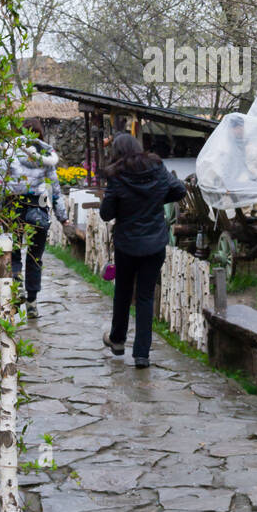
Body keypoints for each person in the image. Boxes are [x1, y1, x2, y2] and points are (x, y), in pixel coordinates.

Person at [99, 131, 187, 368]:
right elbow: (180, 190)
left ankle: (117, 341)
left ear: (116, 152)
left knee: (124, 292)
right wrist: (156, 200)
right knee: (146, 296)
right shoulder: (157, 167)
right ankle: (142, 354)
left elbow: (106, 213)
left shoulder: (117, 176)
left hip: (127, 243)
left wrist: (123, 207)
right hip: (154, 243)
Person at [0, 119, 69, 318]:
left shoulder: (9, 152)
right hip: (38, 206)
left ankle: (17, 282)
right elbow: (55, 190)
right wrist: (63, 218)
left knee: (12, 252)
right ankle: (32, 302)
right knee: (35, 257)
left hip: (12, 205)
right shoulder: (46, 156)